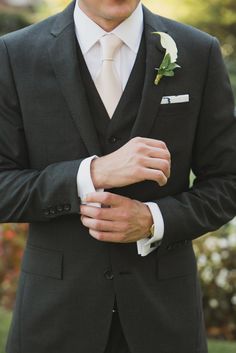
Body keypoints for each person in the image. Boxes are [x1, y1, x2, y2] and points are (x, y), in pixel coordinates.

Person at [0, 0, 236, 352]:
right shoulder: (14, 54)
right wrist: (92, 173)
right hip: (53, 320)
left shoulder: (197, 51)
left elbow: (228, 180)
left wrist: (154, 220)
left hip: (165, 321)